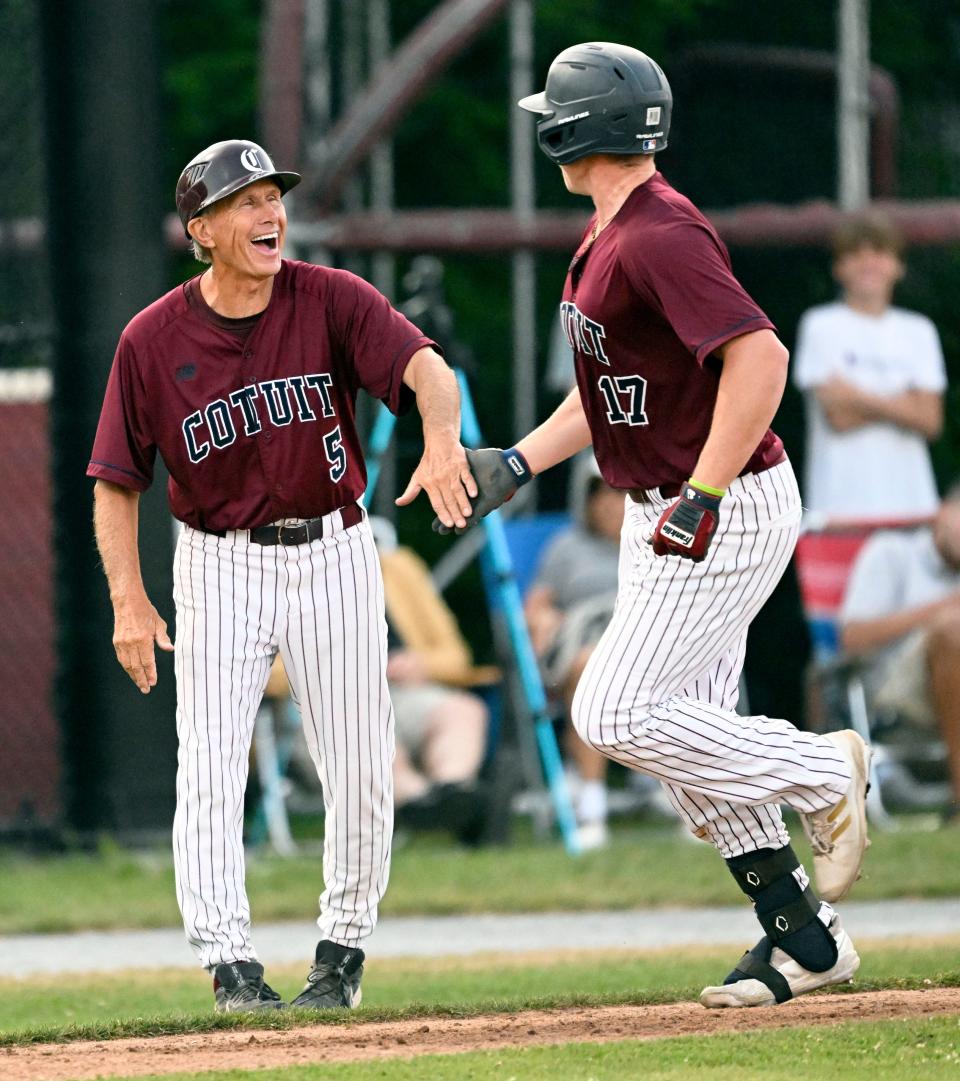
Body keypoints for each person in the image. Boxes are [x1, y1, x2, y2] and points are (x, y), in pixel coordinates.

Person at [441, 41, 872, 1009]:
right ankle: (805, 940)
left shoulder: (657, 234)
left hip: (715, 504)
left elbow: (759, 360)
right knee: (694, 750)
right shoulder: (614, 231)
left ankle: (823, 766)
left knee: (615, 713)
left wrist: (706, 492)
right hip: (665, 504)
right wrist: (517, 460)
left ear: (573, 129)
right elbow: (616, 394)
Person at [88, 140, 476, 1013]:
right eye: (244, 202)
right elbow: (117, 478)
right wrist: (127, 596)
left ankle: (341, 953)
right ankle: (229, 964)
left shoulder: (330, 298)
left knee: (362, 763)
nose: (270, 214)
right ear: (202, 232)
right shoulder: (151, 339)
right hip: (219, 562)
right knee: (212, 769)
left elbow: (426, 370)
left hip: (333, 547)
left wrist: (441, 438)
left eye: (272, 197)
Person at [793, 213, 946, 523]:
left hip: (914, 512)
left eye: (879, 252)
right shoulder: (820, 325)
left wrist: (856, 396)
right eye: (856, 254)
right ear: (839, 267)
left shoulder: (919, 330)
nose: (869, 263)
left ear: (898, 265)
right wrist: (903, 403)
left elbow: (929, 419)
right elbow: (838, 417)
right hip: (838, 513)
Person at [839, 487, 960, 822]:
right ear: (945, 513)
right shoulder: (890, 552)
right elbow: (852, 638)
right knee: (953, 632)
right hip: (894, 691)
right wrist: (943, 609)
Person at [373, 517, 495, 844]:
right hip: (327, 702)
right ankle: (416, 800)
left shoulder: (398, 568)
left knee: (464, 710)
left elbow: (456, 655)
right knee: (366, 731)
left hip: (405, 692)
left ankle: (452, 794)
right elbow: (264, 673)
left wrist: (420, 664)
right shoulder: (276, 575)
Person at [524, 457, 624, 848]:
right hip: (582, 650)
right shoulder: (566, 547)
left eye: (619, 494)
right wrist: (543, 621)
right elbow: (535, 607)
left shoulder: (656, 540)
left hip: (645, 648)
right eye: (600, 494)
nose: (610, 504)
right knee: (588, 665)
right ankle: (592, 805)